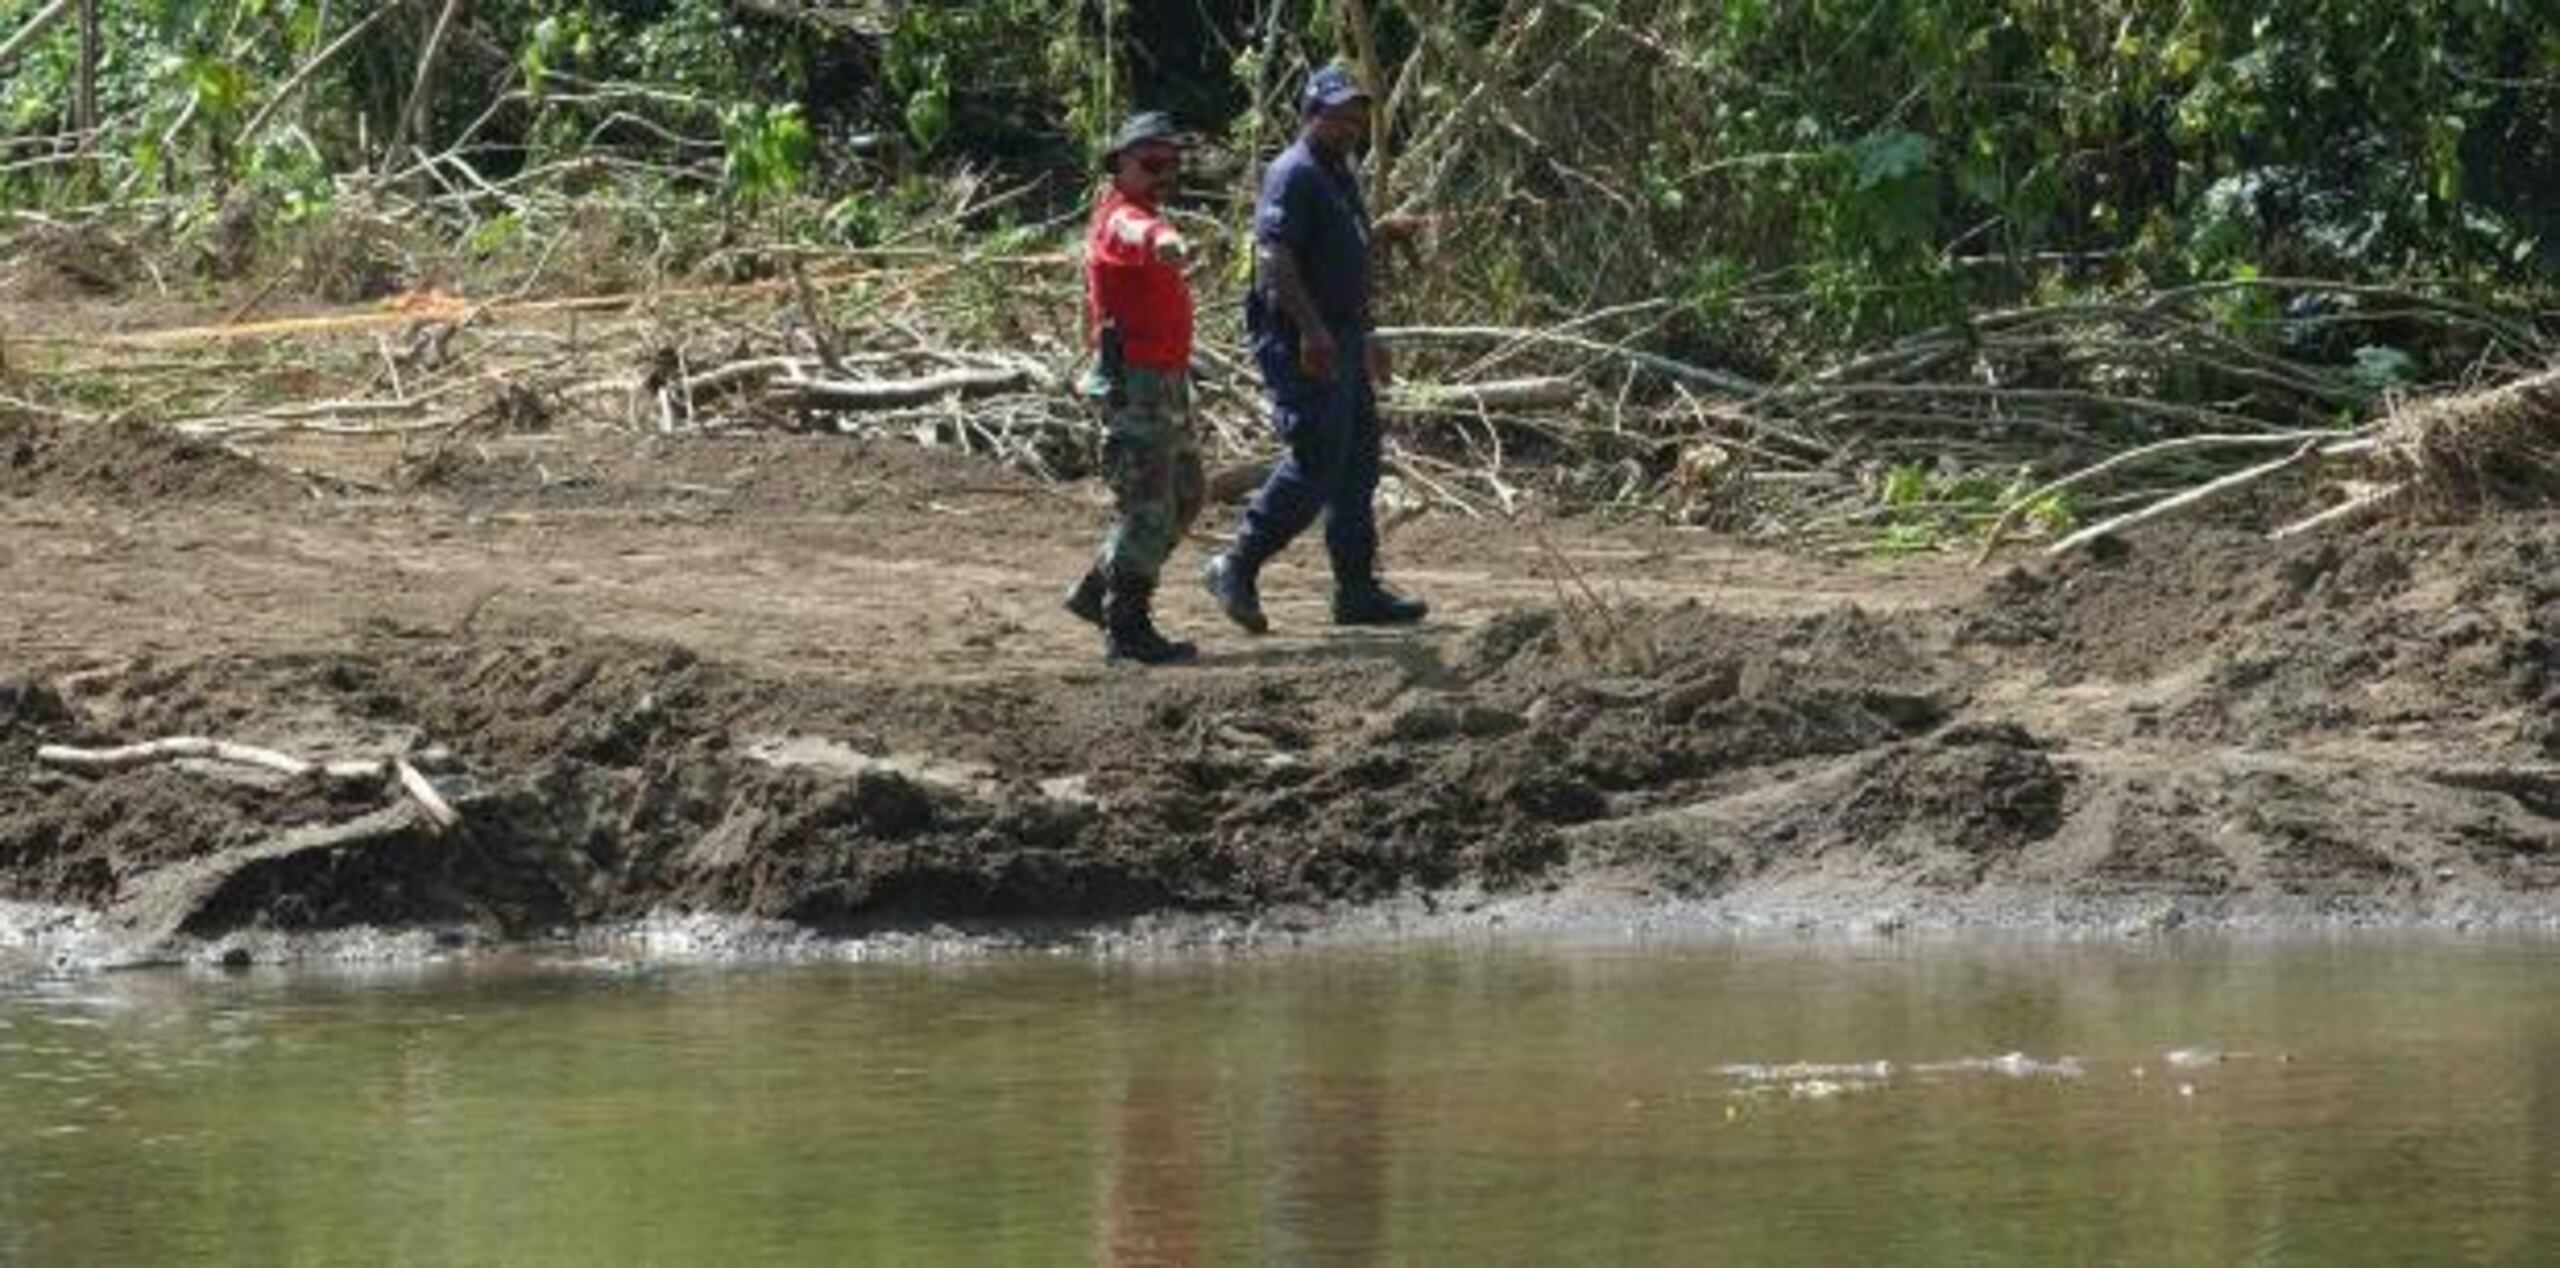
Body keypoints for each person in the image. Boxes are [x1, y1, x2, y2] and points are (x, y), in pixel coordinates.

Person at [1202, 64, 1427, 634]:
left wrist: (1368, 331)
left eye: (1357, 114)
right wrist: (1312, 331)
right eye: (1339, 113)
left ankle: (1356, 591)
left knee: (1358, 461)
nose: (1350, 124)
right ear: (1310, 113)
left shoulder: (1339, 171)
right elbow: (1275, 259)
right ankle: (1236, 565)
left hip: (1343, 332)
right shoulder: (1293, 173)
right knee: (1315, 461)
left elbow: (1351, 258)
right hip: (1302, 337)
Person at [1062, 111, 1208, 665]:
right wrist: (1166, 240)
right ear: (1120, 164)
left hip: (1166, 382)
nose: (1162, 174)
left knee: (1188, 496)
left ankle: (1098, 587)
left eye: (1170, 165)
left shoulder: (1142, 210)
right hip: (1139, 385)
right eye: (1151, 163)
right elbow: (1140, 235)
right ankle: (1126, 628)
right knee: (1148, 507)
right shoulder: (1121, 218)